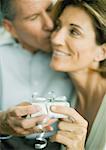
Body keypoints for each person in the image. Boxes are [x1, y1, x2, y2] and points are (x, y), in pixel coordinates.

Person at [0, 0, 73, 149]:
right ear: (10, 28)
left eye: (49, 9)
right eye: (33, 18)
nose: (50, 25)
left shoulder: (73, 51)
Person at [50, 0, 106, 149]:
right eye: (58, 26)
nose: (55, 39)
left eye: (74, 32)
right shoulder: (66, 95)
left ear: (102, 52)